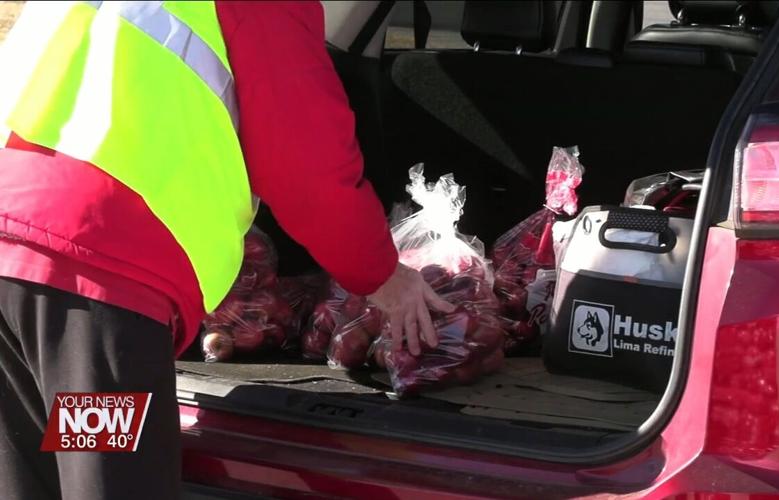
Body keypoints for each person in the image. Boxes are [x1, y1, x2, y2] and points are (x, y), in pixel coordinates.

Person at [0, 2, 451, 499]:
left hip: (20, 269)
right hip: (93, 286)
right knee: (107, 482)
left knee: (34, 482)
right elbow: (307, 167)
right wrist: (383, 275)